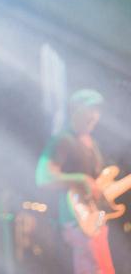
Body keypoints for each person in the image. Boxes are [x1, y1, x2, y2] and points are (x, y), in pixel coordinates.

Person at [36, 89, 114, 274]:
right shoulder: (64, 140)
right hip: (75, 219)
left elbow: (97, 185)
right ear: (74, 109)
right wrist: (80, 179)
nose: (94, 116)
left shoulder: (93, 144)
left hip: (97, 218)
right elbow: (43, 177)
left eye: (97, 110)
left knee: (105, 269)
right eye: (89, 109)